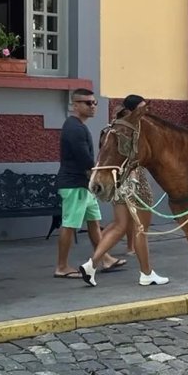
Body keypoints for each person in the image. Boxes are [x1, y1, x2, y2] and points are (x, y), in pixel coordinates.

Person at [79, 95, 168, 287]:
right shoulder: (131, 128)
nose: (146, 111)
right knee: (141, 230)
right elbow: (132, 157)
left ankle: (91, 264)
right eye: (143, 108)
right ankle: (146, 273)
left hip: (117, 182)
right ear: (133, 110)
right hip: (135, 182)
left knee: (120, 225)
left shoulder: (113, 127)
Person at [55, 88, 126, 278]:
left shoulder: (79, 126)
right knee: (70, 225)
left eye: (94, 103)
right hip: (74, 185)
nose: (93, 106)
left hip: (83, 184)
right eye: (88, 103)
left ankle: (105, 258)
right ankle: (62, 267)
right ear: (75, 105)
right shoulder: (74, 128)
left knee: (94, 223)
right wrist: (100, 175)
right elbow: (84, 159)